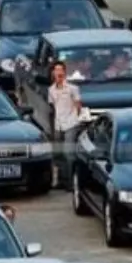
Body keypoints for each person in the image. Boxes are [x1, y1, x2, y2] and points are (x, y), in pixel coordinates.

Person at [48, 61, 83, 190]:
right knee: (58, 154)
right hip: (58, 124)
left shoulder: (72, 88)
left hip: (71, 123)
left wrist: (74, 117)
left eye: (61, 70)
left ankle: (72, 182)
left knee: (69, 153)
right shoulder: (51, 90)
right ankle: (62, 180)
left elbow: (78, 104)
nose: (59, 73)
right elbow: (53, 107)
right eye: (56, 70)